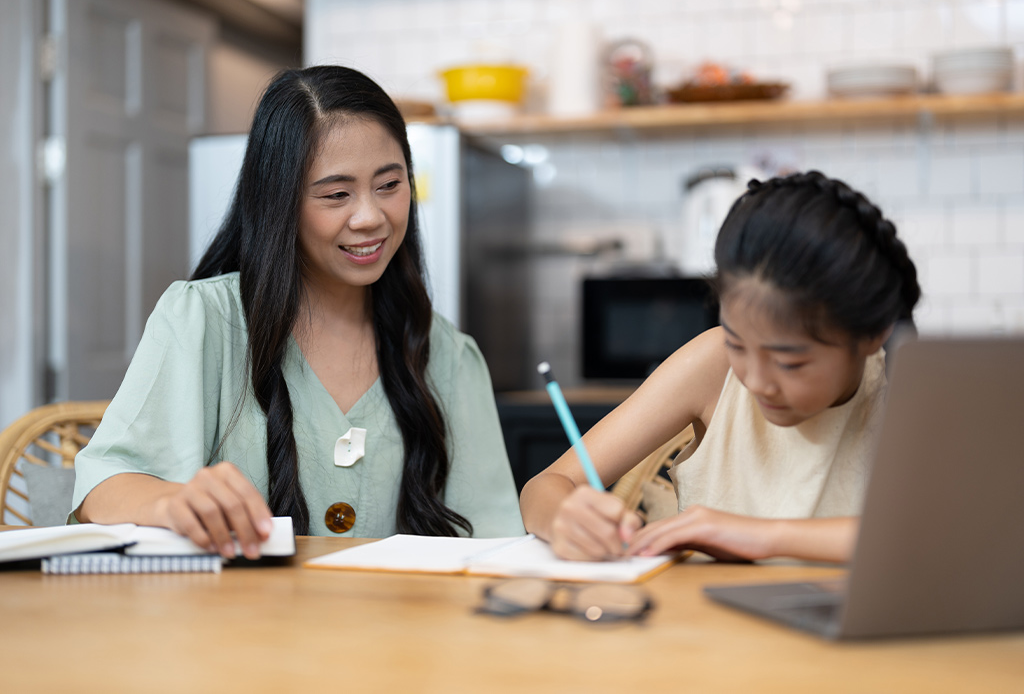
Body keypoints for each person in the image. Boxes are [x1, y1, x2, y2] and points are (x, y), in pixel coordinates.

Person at [72, 65, 525, 558]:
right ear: (280, 201)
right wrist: (174, 502)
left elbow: (494, 543)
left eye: (389, 185)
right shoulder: (204, 320)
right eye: (336, 195)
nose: (371, 217)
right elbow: (102, 486)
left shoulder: (450, 357)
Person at [520, 170, 920, 564]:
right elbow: (546, 486)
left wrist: (762, 537)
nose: (758, 382)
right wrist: (565, 519)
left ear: (870, 336)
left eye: (789, 362)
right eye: (737, 343)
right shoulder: (711, 365)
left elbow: (942, 537)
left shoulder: (907, 385)